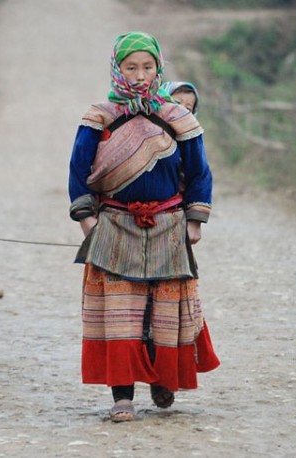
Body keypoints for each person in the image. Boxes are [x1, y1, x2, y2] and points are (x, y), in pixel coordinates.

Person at [68, 31, 220, 423]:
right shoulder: (99, 116)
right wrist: (86, 217)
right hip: (115, 224)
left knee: (163, 311)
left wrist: (195, 219)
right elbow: (78, 170)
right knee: (121, 311)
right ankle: (122, 395)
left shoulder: (177, 118)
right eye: (131, 67)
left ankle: (163, 379)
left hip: (169, 225)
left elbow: (200, 173)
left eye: (147, 67)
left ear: (158, 69)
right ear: (117, 70)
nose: (139, 75)